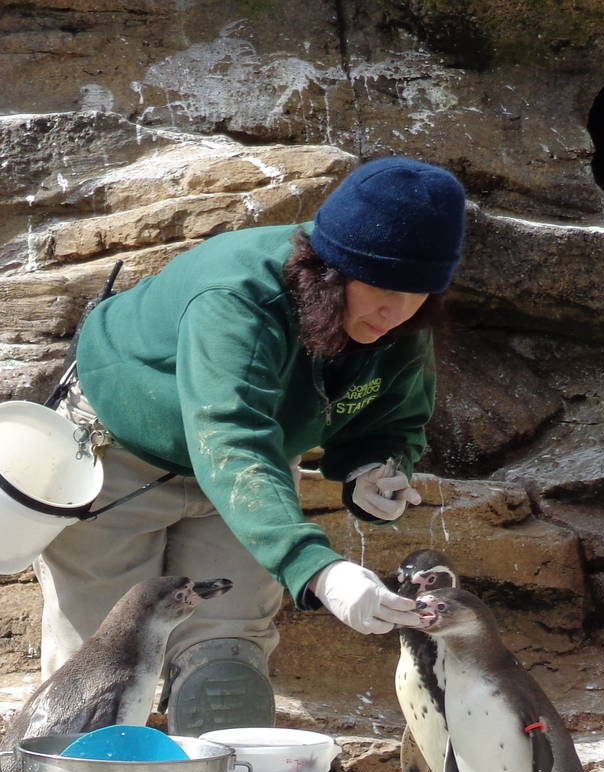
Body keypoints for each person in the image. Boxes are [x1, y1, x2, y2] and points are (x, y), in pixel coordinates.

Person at [35, 156, 467, 735]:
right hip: (119, 456)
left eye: (417, 293)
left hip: (250, 476)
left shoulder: (397, 319)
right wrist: (319, 571)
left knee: (227, 662)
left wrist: (374, 469)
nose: (397, 312)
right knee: (100, 663)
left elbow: (394, 413)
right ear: (328, 273)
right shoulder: (237, 295)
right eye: (383, 289)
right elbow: (231, 438)